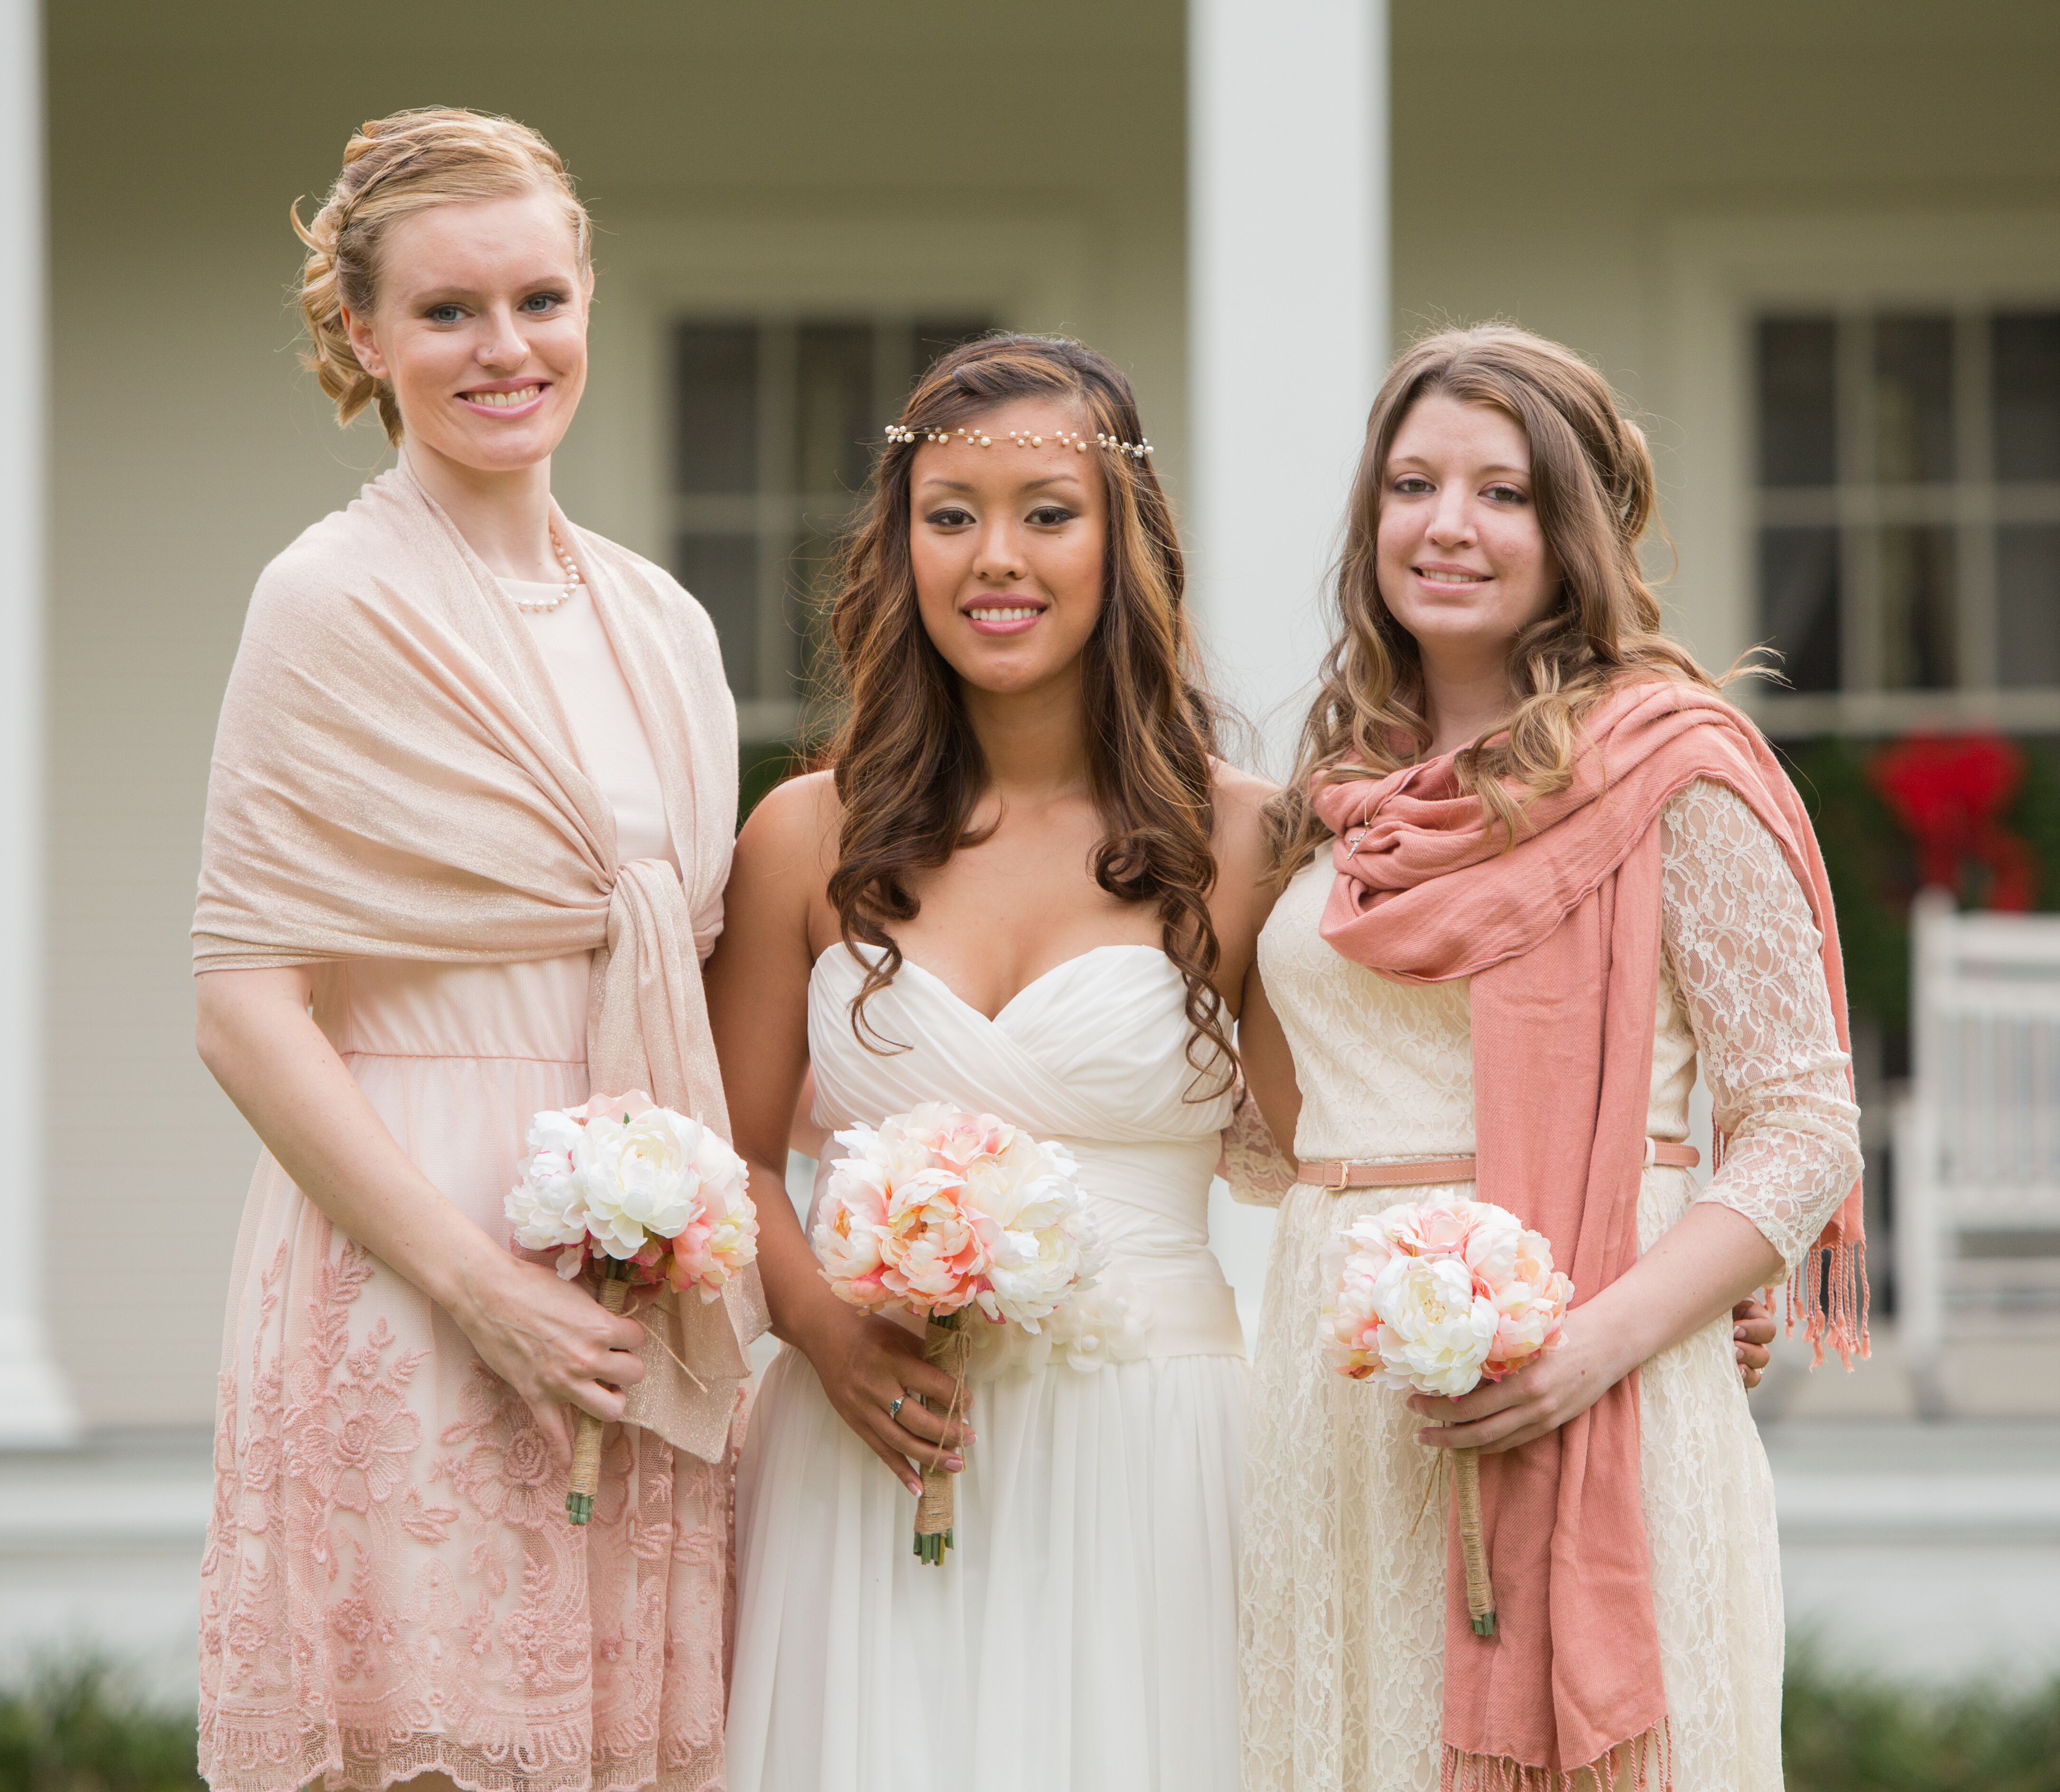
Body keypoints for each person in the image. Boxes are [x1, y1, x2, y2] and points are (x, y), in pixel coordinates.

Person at [190, 108, 761, 1792]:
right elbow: (242, 1001)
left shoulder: (663, 618)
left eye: (539, 299)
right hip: (414, 1264)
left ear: (588, 298)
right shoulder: (328, 601)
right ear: (360, 338)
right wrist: (471, 1284)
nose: (504, 349)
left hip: (633, 1264)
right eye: (447, 312)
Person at [1236, 323, 1865, 1792]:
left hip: (1603, 1387)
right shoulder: (1328, 809)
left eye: (1502, 493)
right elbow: (1268, 1125)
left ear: (1574, 529)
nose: (1446, 525)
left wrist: (1600, 1336)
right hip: (1337, 1406)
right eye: (1410, 484)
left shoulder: (1673, 772)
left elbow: (1801, 1126)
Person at [707, 335, 1282, 1792]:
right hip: (870, 1447)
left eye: (1046, 510)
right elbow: (723, 1157)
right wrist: (826, 1336)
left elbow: (1362, 1143)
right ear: (901, 550)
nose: (994, 558)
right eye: (949, 513)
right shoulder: (802, 838)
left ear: (1123, 541)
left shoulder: (1251, 845)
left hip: (1158, 1450)